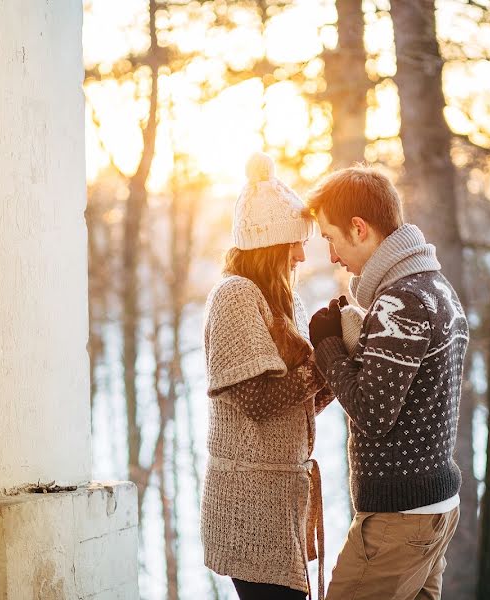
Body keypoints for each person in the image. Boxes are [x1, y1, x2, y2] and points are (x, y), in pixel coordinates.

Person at [306, 167, 469, 600]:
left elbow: (374, 413)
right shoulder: (436, 287)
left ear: (359, 229)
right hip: (433, 509)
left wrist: (326, 348)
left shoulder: (403, 299)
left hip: (400, 519)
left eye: (330, 238)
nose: (333, 255)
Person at [201, 152, 332, 600]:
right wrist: (323, 364)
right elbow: (257, 402)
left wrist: (340, 361)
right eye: (295, 242)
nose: (301, 253)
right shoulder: (235, 297)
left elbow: (299, 404)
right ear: (271, 244)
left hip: (279, 502)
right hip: (248, 504)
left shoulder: (278, 303)